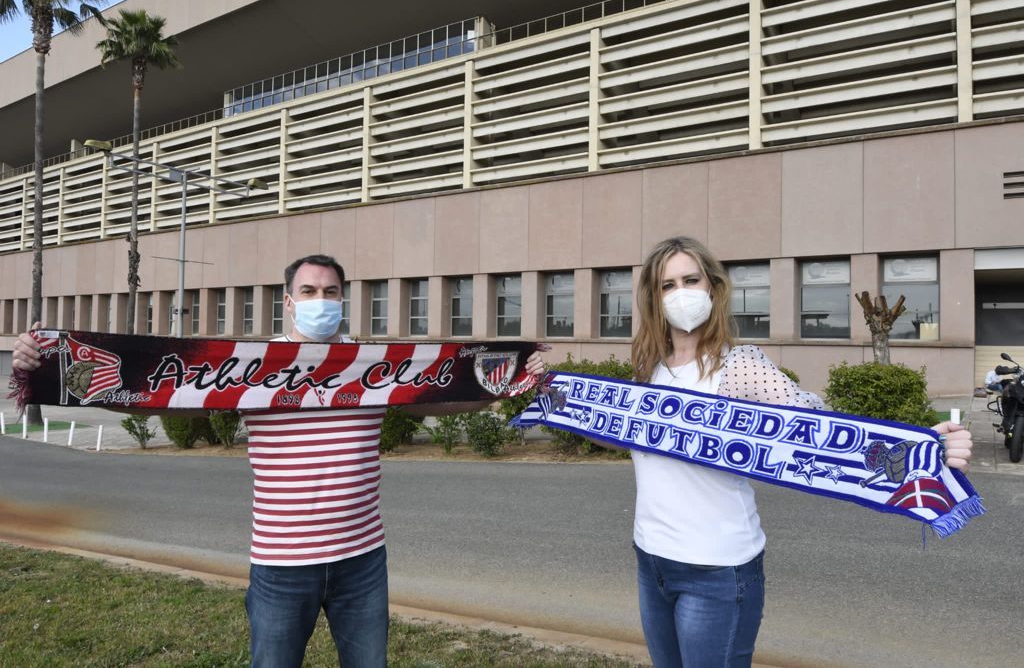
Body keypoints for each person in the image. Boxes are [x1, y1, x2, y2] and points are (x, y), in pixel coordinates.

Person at [12, 253, 545, 668]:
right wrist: (44, 369)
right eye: (308, 291)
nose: (321, 300)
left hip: (363, 560)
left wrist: (518, 375)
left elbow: (456, 393)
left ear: (344, 299)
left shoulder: (378, 366)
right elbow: (149, 392)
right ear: (288, 303)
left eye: (331, 292)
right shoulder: (251, 369)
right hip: (281, 563)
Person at [544, 237, 973, 668]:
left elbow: (822, 429)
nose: (680, 293)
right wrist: (547, 397)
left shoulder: (740, 365)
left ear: (713, 287)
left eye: (690, 279)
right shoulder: (650, 367)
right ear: (653, 298)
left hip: (716, 571)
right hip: (651, 560)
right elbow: (623, 435)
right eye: (667, 284)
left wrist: (924, 444)